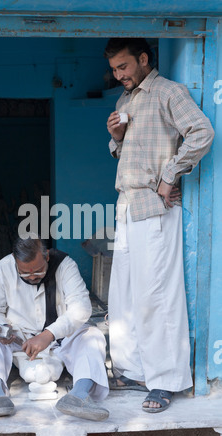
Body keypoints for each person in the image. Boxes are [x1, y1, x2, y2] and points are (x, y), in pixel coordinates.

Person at [104, 38, 214, 412]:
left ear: (144, 59)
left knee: (156, 295)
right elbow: (125, 150)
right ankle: (134, 370)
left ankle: (166, 380)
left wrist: (170, 175)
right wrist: (116, 138)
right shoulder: (124, 102)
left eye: (124, 67)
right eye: (115, 69)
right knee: (123, 294)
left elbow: (202, 132)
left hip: (155, 203)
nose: (119, 75)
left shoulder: (169, 91)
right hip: (126, 204)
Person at [0, 234, 109, 421]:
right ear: (14, 260)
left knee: (93, 336)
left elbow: (81, 308)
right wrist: (2, 328)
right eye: (25, 273)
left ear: (46, 256)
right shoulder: (2, 269)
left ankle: (79, 396)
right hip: (19, 339)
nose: (32, 277)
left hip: (61, 338)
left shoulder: (65, 266)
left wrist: (49, 334)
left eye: (38, 271)